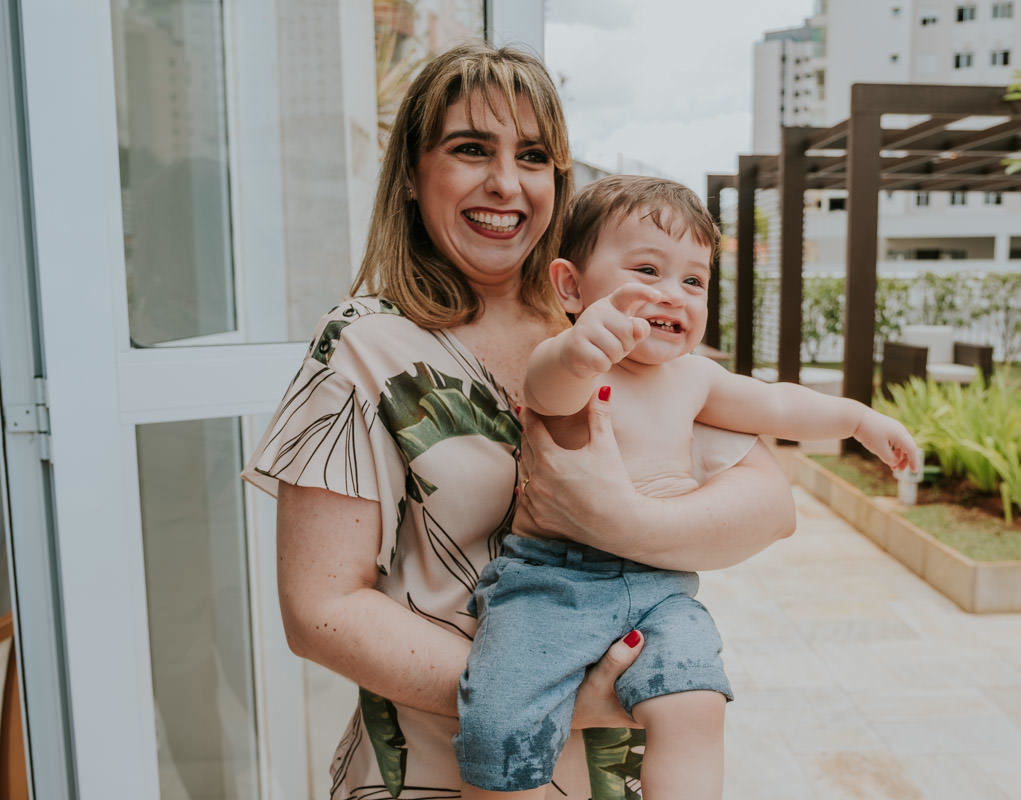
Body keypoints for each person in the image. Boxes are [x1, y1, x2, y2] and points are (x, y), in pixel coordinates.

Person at [241, 44, 796, 799]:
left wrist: (622, 520)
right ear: (411, 172)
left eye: (533, 156)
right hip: (438, 774)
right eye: (471, 148)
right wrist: (550, 692)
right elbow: (320, 612)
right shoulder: (366, 347)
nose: (505, 183)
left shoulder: (613, 321)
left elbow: (770, 505)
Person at [454, 176, 920, 800]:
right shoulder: (564, 360)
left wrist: (859, 419)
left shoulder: (695, 379)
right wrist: (582, 349)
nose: (672, 295)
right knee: (500, 723)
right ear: (571, 286)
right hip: (550, 585)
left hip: (658, 588)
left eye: (693, 281)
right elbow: (549, 390)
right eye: (647, 270)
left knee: (696, 699)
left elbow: (778, 405)